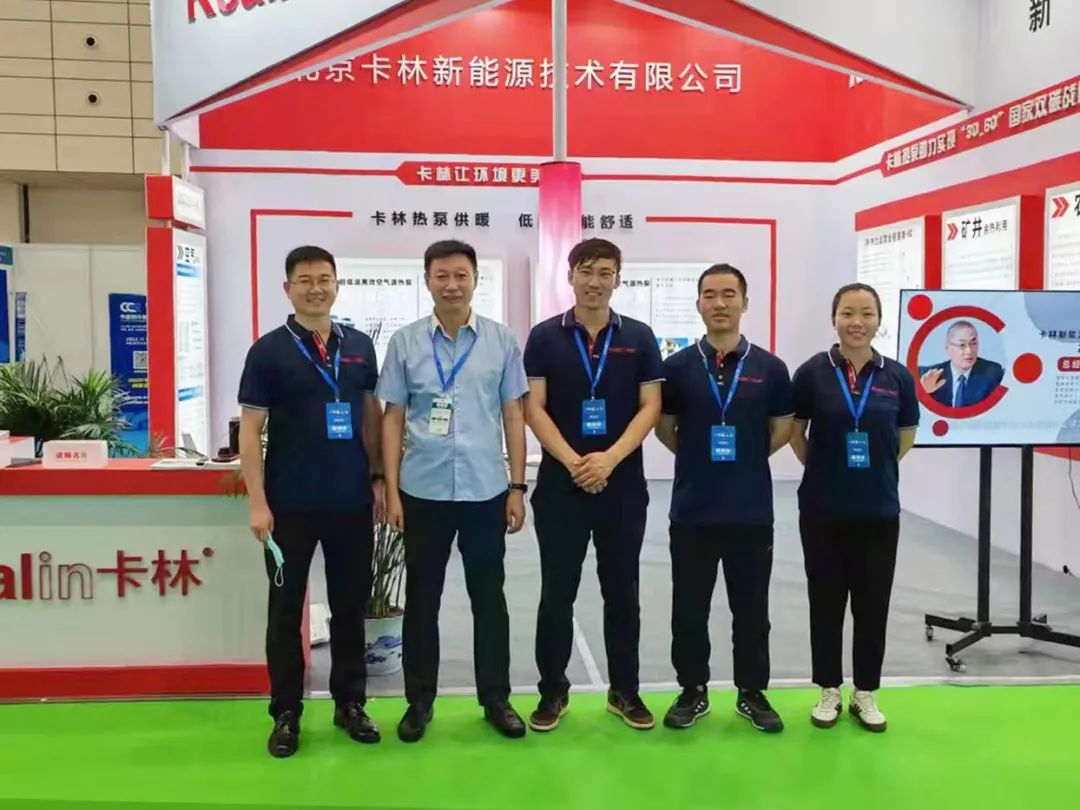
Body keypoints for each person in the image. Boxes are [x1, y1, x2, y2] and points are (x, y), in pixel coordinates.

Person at [378, 239, 529, 743]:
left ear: (475, 280)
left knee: (489, 598)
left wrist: (517, 486)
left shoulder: (501, 341)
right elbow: (393, 417)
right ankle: (419, 702)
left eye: (460, 275)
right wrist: (393, 491)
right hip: (423, 491)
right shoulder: (405, 343)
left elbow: (513, 414)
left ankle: (496, 698)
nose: (451, 285)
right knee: (423, 599)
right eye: (441, 276)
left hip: (486, 490)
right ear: (427, 281)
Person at [237, 245, 383, 758]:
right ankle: (286, 712)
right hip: (289, 506)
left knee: (350, 608)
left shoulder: (359, 346)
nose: (316, 288)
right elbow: (250, 431)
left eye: (324, 279)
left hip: (351, 502)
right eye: (305, 280)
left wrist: (378, 478)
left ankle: (350, 703)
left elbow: (370, 415)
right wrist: (258, 502)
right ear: (288, 289)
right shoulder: (268, 351)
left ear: (337, 285)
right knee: (284, 612)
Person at [523, 238, 664, 732]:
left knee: (622, 592)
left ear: (618, 278)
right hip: (560, 488)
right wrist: (573, 462)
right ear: (570, 277)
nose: (595, 281)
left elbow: (651, 407)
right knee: (556, 593)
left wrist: (609, 459)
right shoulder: (544, 337)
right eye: (586, 271)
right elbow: (533, 407)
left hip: (621, 487)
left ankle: (624, 691)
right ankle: (552, 692)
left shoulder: (640, 337)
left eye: (605, 272)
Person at [655, 264, 793, 733]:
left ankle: (752, 692)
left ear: (745, 303)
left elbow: (780, 431)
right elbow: (665, 429)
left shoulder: (770, 369)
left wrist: (743, 458)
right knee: (689, 608)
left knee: (751, 610)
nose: (719, 303)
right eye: (710, 294)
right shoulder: (675, 368)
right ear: (698, 304)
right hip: (692, 510)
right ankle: (692, 690)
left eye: (729, 294)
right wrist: (700, 456)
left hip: (750, 511)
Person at [789, 282, 919, 734]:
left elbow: (905, 436)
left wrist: (874, 468)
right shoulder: (812, 373)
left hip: (878, 509)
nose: (857, 322)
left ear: (878, 320)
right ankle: (828, 688)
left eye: (866, 313)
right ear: (834, 318)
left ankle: (865, 691)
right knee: (825, 601)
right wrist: (823, 467)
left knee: (872, 603)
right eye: (848, 313)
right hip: (822, 508)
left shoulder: (897, 377)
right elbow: (795, 432)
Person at [919, 320, 1004, 407]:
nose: (969, 351)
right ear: (947, 347)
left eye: (973, 343)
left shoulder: (992, 373)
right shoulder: (928, 377)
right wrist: (924, 393)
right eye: (962, 345)